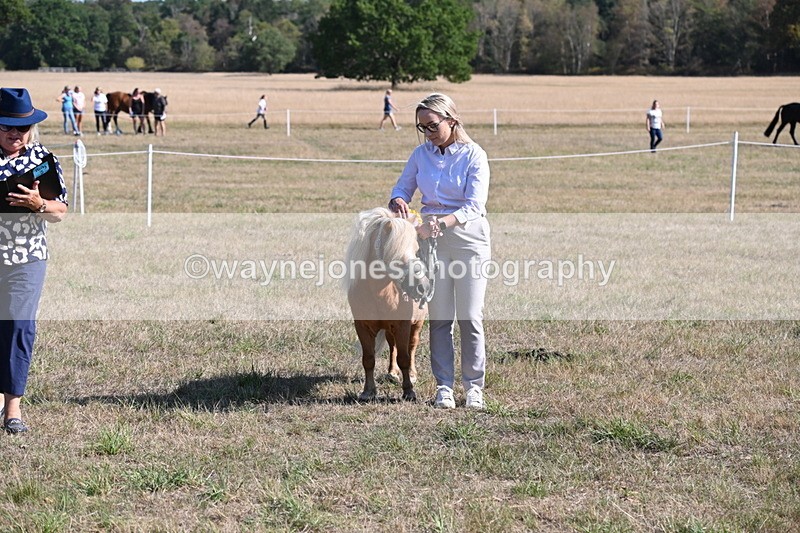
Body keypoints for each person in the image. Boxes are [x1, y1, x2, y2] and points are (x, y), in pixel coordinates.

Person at [389, 93, 491, 410]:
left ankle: (473, 387)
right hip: (432, 246)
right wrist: (398, 199)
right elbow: (402, 187)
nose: (428, 133)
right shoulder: (421, 155)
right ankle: (444, 386)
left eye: (433, 125)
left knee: (470, 317)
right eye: (422, 127)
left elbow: (474, 206)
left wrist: (438, 224)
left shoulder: (474, 155)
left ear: (452, 120)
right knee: (440, 318)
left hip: (469, 241)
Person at [0, 87, 68, 434]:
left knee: (19, 326)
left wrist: (38, 205)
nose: (15, 133)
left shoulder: (43, 160)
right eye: (7, 126)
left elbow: (60, 212)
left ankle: (13, 409)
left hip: (27, 257)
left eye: (22, 127)